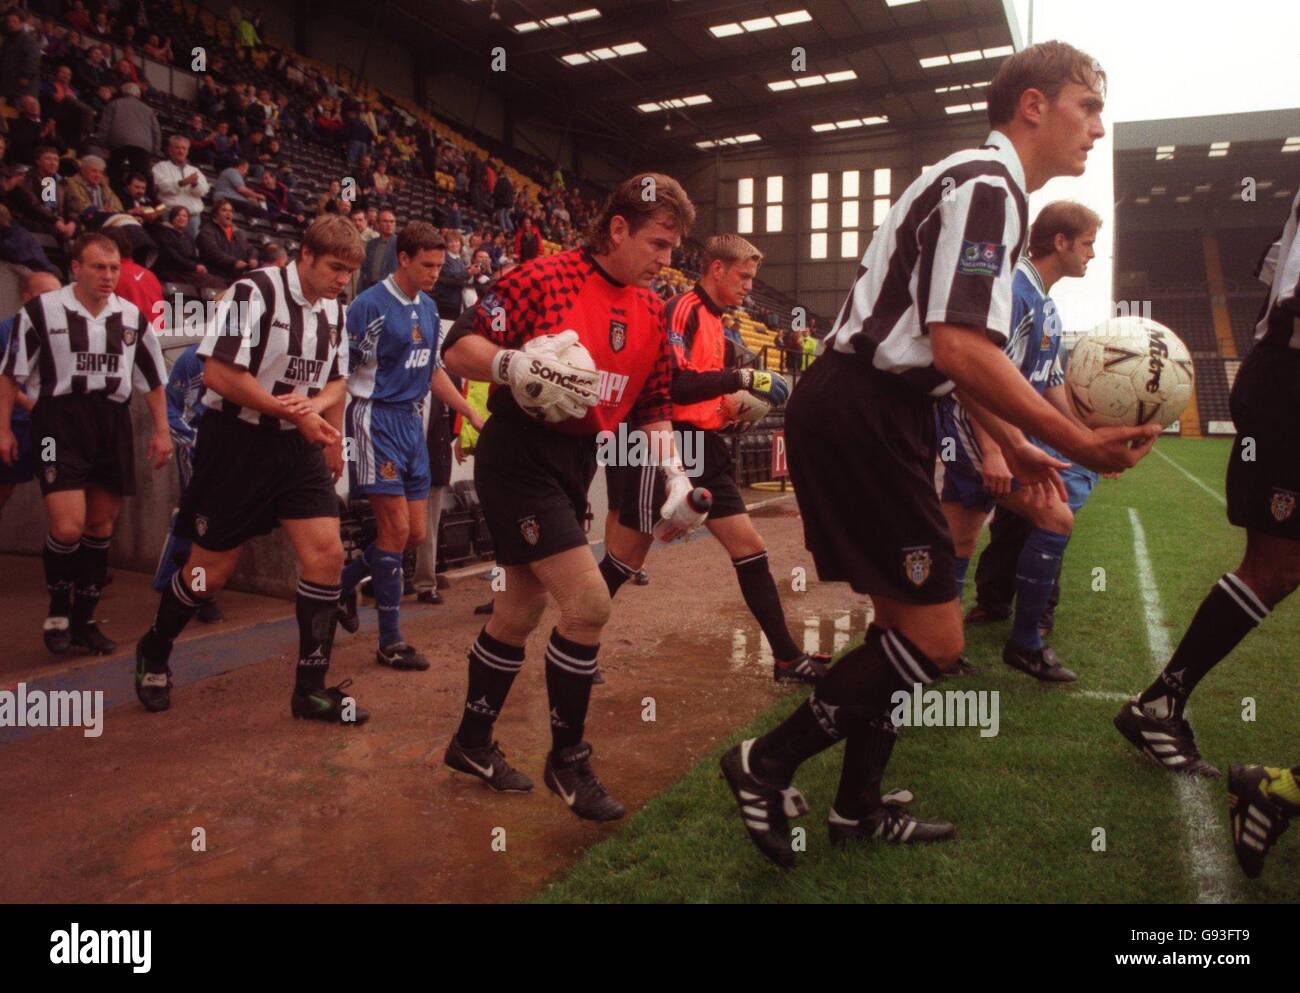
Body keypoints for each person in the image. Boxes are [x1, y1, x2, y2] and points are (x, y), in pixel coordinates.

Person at [718, 41, 1159, 869]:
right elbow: (957, 348)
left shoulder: (974, 182)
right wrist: (1073, 442)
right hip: (865, 415)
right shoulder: (990, 187)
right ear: (1033, 104)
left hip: (879, 411)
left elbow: (944, 357)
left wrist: (1018, 445)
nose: (1098, 127)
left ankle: (855, 806)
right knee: (936, 641)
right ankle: (764, 761)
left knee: (898, 624)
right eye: (1088, 106)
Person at [438, 173, 703, 821]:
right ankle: (569, 759)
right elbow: (459, 348)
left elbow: (656, 411)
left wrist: (677, 482)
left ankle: (471, 742)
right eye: (659, 244)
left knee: (518, 612)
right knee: (586, 602)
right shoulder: (541, 279)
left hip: (572, 462)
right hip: (518, 456)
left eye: (674, 249)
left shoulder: (651, 312)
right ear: (618, 228)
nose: (668, 261)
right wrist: (511, 365)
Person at [133, 216, 367, 722]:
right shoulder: (250, 292)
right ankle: (155, 646)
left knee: (326, 557)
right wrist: (288, 409)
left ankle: (310, 688)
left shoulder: (336, 312)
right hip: (236, 444)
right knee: (209, 573)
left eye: (348, 272)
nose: (340, 280)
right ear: (304, 253)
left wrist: (324, 427)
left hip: (297, 446)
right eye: (333, 268)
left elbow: (338, 382)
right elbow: (218, 374)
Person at [1113, 190, 1300, 778]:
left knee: (1283, 567)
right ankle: (1161, 702)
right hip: (1292, 383)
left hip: (1284, 375)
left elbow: (1273, 270)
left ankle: (1161, 700)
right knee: (1274, 566)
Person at [600, 234, 828, 685]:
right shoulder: (682, 309)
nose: (748, 286)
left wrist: (731, 414)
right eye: (743, 277)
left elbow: (704, 392)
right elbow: (678, 385)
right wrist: (744, 377)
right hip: (666, 445)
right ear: (717, 269)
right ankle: (574, 646)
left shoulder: (719, 325)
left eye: (752, 279)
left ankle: (786, 659)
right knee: (626, 560)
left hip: (704, 446)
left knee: (751, 549)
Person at [936, 201, 1103, 683]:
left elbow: (1049, 387)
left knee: (961, 537)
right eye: (1088, 243)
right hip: (976, 428)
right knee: (1055, 517)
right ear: (1061, 241)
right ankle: (1026, 644)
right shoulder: (1014, 291)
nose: (1092, 254)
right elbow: (975, 373)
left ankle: (936, 648)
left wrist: (1085, 440)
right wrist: (994, 449)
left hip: (994, 431)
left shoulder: (1044, 300)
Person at [0, 233, 171, 655]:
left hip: (110, 421)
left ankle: (84, 619)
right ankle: (58, 610)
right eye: (98, 267)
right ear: (75, 268)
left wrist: (162, 430)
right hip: (56, 421)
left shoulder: (131, 317)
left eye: (113, 268)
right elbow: (10, 374)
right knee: (67, 526)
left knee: (99, 527)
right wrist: (2, 428)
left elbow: (152, 380)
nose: (108, 276)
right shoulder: (42, 311)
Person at [336, 223, 477, 666]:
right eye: (428, 265)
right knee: (395, 532)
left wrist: (468, 411)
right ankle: (391, 641)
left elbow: (433, 369)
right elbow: (342, 372)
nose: (436, 273)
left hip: (412, 421)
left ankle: (341, 585)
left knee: (414, 534)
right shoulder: (368, 306)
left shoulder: (430, 308)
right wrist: (331, 435)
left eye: (440, 265)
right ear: (403, 258)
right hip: (375, 419)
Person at [152, 343, 222, 623]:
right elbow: (171, 405)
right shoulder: (192, 359)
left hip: (238, 451)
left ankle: (178, 578)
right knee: (202, 519)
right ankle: (200, 591)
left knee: (216, 519)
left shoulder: (257, 352)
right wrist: (191, 440)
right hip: (197, 449)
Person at [0, 268, 61, 515]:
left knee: (59, 483)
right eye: (45, 295)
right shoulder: (6, 330)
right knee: (5, 485)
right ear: (27, 296)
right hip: (16, 425)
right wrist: (28, 406)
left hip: (51, 432)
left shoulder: (64, 333)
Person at [152, 206, 226, 292]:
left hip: (188, 270)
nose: (181, 218)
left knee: (219, 280)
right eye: (178, 215)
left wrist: (201, 266)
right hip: (172, 271)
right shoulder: (164, 233)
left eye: (184, 216)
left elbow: (195, 257)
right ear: (172, 218)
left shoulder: (188, 237)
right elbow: (172, 256)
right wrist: (194, 267)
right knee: (212, 282)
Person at [152, 136, 209, 240]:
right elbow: (161, 186)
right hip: (169, 213)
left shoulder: (194, 170)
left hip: (192, 217)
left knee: (191, 246)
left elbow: (204, 191)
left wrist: (194, 184)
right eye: (177, 148)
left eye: (184, 148)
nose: (180, 151)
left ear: (187, 152)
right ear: (170, 150)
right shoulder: (160, 167)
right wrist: (182, 183)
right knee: (169, 244)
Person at [196, 200, 256, 283]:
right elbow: (213, 252)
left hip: (235, 276)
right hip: (215, 275)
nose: (228, 213)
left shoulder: (237, 232)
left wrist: (253, 258)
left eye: (230, 211)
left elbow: (250, 248)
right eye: (224, 210)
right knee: (179, 293)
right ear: (215, 215)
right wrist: (234, 262)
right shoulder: (207, 232)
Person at [360, 209, 398, 291]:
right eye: (385, 221)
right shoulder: (371, 244)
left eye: (392, 222)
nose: (389, 225)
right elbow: (364, 269)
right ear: (377, 224)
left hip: (391, 289)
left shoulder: (400, 244)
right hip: (370, 288)